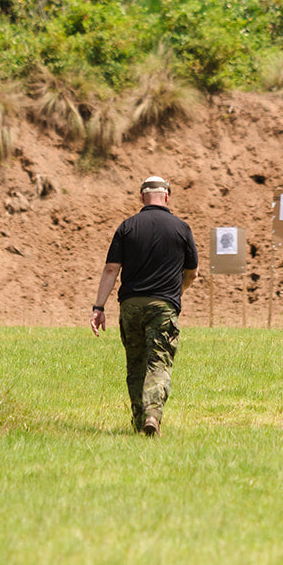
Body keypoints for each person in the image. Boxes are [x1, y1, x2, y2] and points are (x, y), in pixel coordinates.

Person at [90, 175, 198, 437]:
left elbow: (110, 269)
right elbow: (192, 272)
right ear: (167, 197)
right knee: (158, 362)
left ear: (141, 197)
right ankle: (152, 414)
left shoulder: (127, 227)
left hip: (130, 306)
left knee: (136, 364)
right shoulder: (181, 228)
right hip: (163, 306)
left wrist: (99, 307)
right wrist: (175, 293)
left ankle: (139, 422)